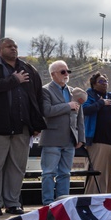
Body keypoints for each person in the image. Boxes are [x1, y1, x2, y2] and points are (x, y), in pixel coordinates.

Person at [0, 39, 46, 216]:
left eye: (15, 46)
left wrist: (36, 124)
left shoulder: (29, 69)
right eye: (9, 46)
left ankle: (13, 203)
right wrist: (14, 79)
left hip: (22, 127)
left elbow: (37, 97)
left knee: (17, 167)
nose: (13, 49)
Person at [40, 60, 85, 205]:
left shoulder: (73, 91)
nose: (66, 74)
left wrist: (80, 137)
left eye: (68, 71)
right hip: (52, 139)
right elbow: (47, 111)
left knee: (65, 173)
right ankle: (48, 203)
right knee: (48, 173)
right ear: (53, 74)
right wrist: (67, 106)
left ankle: (62, 204)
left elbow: (80, 117)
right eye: (63, 72)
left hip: (70, 140)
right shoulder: (45, 90)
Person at [82, 71, 111, 194]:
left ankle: (106, 196)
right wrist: (101, 103)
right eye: (101, 81)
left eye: (106, 81)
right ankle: (92, 196)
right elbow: (85, 110)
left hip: (110, 142)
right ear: (94, 84)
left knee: (107, 173)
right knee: (97, 172)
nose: (104, 83)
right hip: (96, 141)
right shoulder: (89, 95)